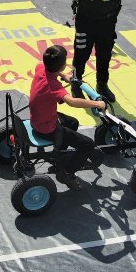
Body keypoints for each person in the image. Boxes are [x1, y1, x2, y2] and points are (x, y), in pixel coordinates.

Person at [29, 45, 106, 191]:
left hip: (37, 119)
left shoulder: (41, 69)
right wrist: (97, 103)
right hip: (46, 128)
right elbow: (72, 102)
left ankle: (58, 155)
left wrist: (64, 76)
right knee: (88, 145)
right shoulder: (53, 86)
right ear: (63, 65)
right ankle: (66, 173)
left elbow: (43, 67)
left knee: (72, 122)